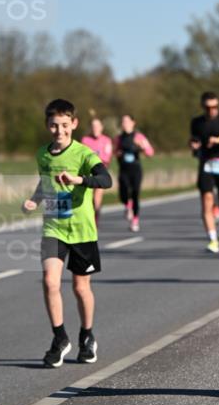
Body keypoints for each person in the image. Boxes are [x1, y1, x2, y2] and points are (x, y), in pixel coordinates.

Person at [22, 98, 112, 367]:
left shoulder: (84, 154)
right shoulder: (42, 154)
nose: (59, 131)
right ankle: (60, 338)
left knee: (80, 286)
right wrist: (34, 200)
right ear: (47, 125)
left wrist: (79, 180)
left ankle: (87, 336)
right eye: (53, 125)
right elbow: (44, 183)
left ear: (73, 124)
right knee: (50, 281)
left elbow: (106, 180)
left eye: (64, 125)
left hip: (82, 230)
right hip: (54, 228)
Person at [189, 92, 219, 253]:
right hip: (206, 163)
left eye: (215, 106)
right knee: (207, 200)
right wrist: (194, 145)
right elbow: (194, 139)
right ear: (203, 106)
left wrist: (218, 140)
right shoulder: (196, 122)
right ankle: (212, 239)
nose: (212, 110)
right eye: (208, 107)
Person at [115, 114, 154, 232]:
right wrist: (118, 153)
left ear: (133, 123)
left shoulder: (139, 136)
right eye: (123, 122)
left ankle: (135, 220)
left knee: (135, 193)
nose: (125, 124)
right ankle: (127, 206)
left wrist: (141, 146)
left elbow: (150, 152)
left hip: (136, 169)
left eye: (127, 121)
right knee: (123, 192)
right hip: (123, 169)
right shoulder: (118, 138)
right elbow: (114, 152)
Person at [81, 116, 114, 224]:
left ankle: (95, 220)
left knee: (96, 199)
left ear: (101, 127)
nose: (95, 128)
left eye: (97, 126)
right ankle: (88, 219)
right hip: (87, 173)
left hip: (100, 173)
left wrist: (95, 158)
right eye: (93, 126)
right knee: (87, 199)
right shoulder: (85, 140)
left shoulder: (106, 140)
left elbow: (107, 157)